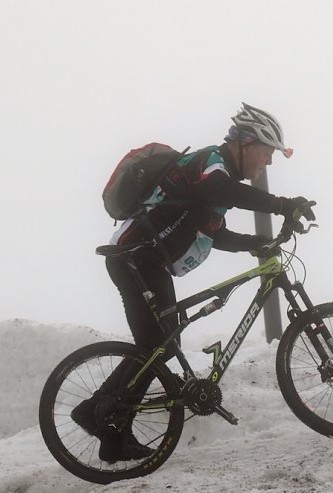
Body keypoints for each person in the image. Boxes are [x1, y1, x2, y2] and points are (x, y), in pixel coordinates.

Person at [71, 103, 315, 463]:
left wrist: (257, 244)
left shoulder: (217, 181)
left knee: (160, 347)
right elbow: (224, 191)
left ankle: (108, 428)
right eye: (267, 152)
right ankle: (98, 415)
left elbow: (217, 234)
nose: (269, 162)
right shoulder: (210, 163)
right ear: (247, 143)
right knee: (157, 346)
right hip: (135, 259)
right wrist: (283, 205)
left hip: (145, 262)